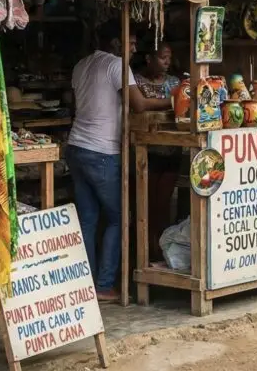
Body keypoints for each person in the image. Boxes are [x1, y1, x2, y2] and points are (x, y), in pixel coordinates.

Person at [67, 25, 171, 302]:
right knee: (118, 218)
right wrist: (172, 101)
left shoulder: (81, 65)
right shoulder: (117, 65)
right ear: (116, 41)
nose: (135, 48)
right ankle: (104, 285)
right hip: (102, 152)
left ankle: (85, 284)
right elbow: (139, 105)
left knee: (88, 220)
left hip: (77, 147)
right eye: (132, 42)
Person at [134, 41, 182, 262]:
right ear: (149, 59)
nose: (167, 62)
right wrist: (170, 101)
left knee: (162, 206)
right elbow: (136, 107)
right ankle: (144, 253)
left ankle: (159, 253)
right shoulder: (136, 81)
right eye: (163, 58)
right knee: (145, 207)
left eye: (169, 58)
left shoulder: (176, 83)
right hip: (146, 153)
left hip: (171, 153)